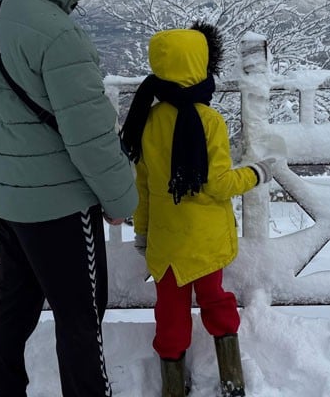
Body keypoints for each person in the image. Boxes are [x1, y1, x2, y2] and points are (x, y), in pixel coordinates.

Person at [0, 0, 138, 397]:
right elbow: (91, 135)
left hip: (9, 206)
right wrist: (121, 201)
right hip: (60, 210)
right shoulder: (60, 35)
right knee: (82, 314)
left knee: (12, 306)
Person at [119, 23, 278, 397]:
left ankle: (172, 388)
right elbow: (219, 184)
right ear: (201, 66)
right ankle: (232, 381)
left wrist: (142, 232)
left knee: (170, 317)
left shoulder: (148, 120)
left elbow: (142, 184)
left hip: (166, 244)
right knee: (217, 305)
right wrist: (258, 172)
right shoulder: (209, 120)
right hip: (205, 244)